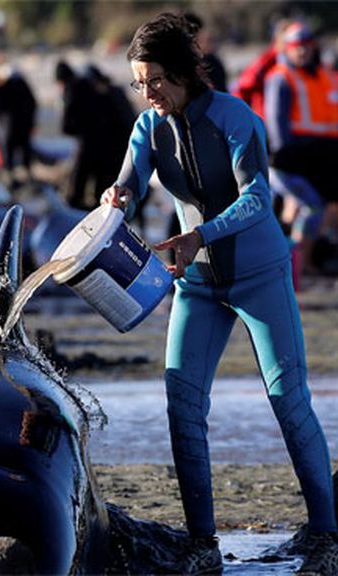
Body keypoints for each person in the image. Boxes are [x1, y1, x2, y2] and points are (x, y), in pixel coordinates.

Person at [102, 13, 338, 575]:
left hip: (260, 275)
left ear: (182, 72)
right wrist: (116, 199)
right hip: (198, 286)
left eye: (155, 79)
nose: (148, 93)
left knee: (288, 401)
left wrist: (200, 234)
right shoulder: (147, 129)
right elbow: (130, 186)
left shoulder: (237, 119)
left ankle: (328, 536)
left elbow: (258, 198)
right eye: (139, 82)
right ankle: (203, 544)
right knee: (182, 406)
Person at [263, 21, 338, 282]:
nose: (303, 51)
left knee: (313, 209)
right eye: (297, 46)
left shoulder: (321, 75)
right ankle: (293, 269)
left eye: (307, 45)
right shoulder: (282, 77)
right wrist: (288, 153)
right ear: (287, 47)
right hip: (289, 161)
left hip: (319, 158)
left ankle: (300, 267)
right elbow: (278, 128)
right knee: (311, 208)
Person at [56, 61, 136, 211]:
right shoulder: (113, 92)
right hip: (119, 149)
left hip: (104, 148)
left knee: (89, 187)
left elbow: (68, 125)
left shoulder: (80, 90)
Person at [0, 61, 36, 186]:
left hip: (12, 125)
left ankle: (10, 173)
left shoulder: (7, 86)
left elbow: (0, 103)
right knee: (23, 148)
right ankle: (24, 172)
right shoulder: (21, 83)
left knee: (10, 148)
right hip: (22, 124)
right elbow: (32, 103)